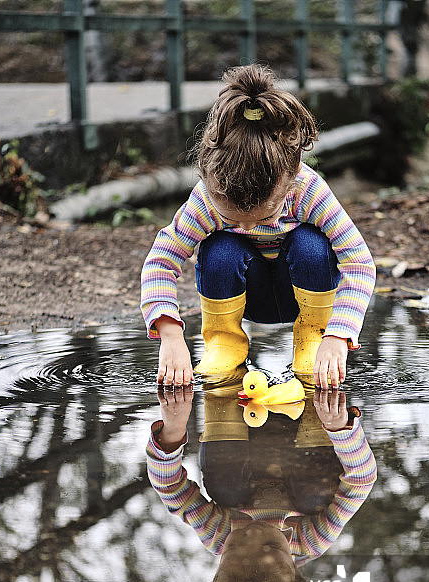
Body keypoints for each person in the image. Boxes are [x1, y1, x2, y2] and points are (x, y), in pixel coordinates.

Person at [140, 64, 376, 389]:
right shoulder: (206, 200)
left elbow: (359, 263)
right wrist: (169, 332)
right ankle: (224, 346)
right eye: (233, 218)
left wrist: (338, 334)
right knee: (220, 247)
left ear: (290, 180)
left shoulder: (308, 191)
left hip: (305, 295)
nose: (248, 226)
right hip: (244, 296)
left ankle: (312, 340)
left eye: (263, 218)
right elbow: (161, 261)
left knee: (310, 242)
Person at [147, 382, 377, 582]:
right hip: (308, 425)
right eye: (270, 545)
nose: (253, 534)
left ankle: (222, 384)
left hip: (240, 417)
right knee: (314, 496)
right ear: (296, 575)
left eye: (238, 546)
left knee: (227, 489)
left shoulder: (216, 532)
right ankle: (316, 394)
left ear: (216, 579)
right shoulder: (311, 539)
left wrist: (173, 430)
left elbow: (171, 488)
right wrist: (341, 428)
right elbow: (360, 482)